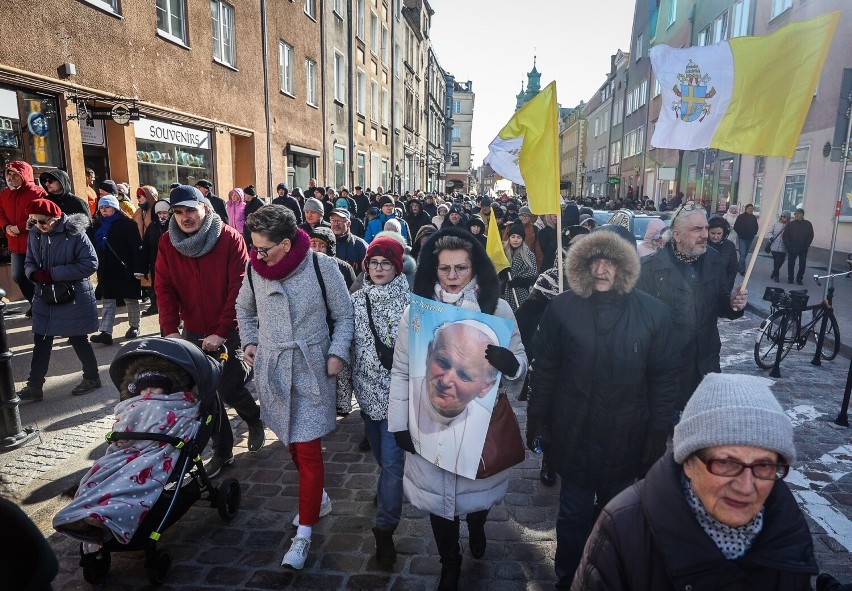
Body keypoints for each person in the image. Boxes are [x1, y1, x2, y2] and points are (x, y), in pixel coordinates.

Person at [527, 229, 678, 589]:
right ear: (581, 265)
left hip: (629, 434)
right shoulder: (562, 308)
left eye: (610, 261)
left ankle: (609, 577)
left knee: (620, 518)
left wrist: (658, 433)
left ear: (624, 266)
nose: (601, 269)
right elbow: (544, 368)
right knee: (573, 515)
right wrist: (538, 418)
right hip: (574, 431)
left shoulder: (653, 313)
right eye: (594, 260)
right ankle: (568, 578)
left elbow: (664, 379)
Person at [572, 373, 818, 590]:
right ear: (688, 463)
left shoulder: (787, 525)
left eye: (763, 465)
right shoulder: (623, 529)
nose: (746, 486)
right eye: (725, 463)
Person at [388, 227, 527, 591]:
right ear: (433, 270)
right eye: (444, 268)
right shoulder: (414, 314)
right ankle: (450, 562)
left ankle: (478, 524)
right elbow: (402, 369)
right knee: (439, 502)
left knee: (476, 494)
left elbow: (521, 362)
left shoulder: (497, 309)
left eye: (460, 268)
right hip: (428, 422)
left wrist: (510, 364)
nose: (452, 277)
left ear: (474, 268)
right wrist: (400, 422)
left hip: (478, 426)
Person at [235, 205, 354, 570]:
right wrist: (251, 342)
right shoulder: (254, 270)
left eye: (264, 248)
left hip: (311, 368)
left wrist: (336, 353)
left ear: (286, 244)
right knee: (290, 439)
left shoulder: (322, 267)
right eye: (253, 247)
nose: (257, 255)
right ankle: (317, 499)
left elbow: (345, 314)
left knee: (306, 448)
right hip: (272, 368)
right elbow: (244, 310)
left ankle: (303, 534)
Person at [155, 185, 264, 477]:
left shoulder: (229, 238)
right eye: (178, 212)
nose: (185, 217)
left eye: (191, 209)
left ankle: (253, 418)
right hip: (193, 329)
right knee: (207, 395)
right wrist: (169, 328)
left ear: (205, 207)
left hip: (230, 327)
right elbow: (163, 286)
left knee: (228, 387)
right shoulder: (168, 242)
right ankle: (223, 450)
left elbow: (239, 288)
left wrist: (222, 330)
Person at [338, 236, 409, 565]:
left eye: (386, 263)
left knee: (393, 465)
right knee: (382, 460)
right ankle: (387, 492)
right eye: (374, 263)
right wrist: (343, 397)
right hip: (368, 398)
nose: (379, 269)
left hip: (400, 398)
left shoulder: (412, 301)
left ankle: (384, 530)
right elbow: (347, 349)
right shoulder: (355, 301)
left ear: (397, 266)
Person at [636, 205, 748, 410]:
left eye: (706, 228)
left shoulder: (714, 260)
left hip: (705, 364)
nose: (705, 235)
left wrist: (734, 305)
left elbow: (721, 303)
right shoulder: (649, 269)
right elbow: (638, 326)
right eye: (697, 229)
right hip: (667, 369)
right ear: (676, 234)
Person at [18, 199, 100, 401]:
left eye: (43, 221)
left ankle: (92, 378)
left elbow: (90, 264)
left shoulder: (74, 232)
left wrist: (53, 274)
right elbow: (28, 262)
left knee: (78, 337)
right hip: (45, 294)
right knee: (41, 339)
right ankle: (34, 386)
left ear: (56, 218)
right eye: (34, 221)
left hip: (72, 294)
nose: (38, 226)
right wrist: (33, 274)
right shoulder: (35, 233)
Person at [89, 195, 145, 345]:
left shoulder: (128, 224)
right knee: (108, 300)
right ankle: (106, 332)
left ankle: (134, 326)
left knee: (131, 299)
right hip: (107, 269)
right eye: (101, 208)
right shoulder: (97, 225)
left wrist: (139, 269)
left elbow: (137, 248)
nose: (104, 210)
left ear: (115, 208)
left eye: (107, 207)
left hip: (126, 267)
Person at [1, 161, 46, 312]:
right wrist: (6, 227)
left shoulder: (38, 192)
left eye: (16, 175)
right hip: (14, 243)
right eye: (10, 175)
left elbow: (41, 215)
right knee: (18, 276)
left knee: (37, 276)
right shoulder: (5, 193)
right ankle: (36, 303)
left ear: (24, 175)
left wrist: (19, 227)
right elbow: (0, 213)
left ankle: (43, 305)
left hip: (34, 242)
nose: (12, 179)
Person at [141, 199, 171, 317]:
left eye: (165, 213)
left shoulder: (175, 225)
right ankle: (155, 306)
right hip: (156, 262)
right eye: (159, 213)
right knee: (157, 286)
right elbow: (146, 247)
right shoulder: (152, 227)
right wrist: (144, 266)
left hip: (172, 263)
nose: (162, 216)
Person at [500, 221, 538, 311]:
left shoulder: (528, 254)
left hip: (521, 293)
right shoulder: (502, 253)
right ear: (509, 238)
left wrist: (521, 281)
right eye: (513, 237)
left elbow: (533, 273)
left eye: (518, 237)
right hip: (503, 293)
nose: (515, 240)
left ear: (522, 239)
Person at [309, 226, 357, 290]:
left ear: (329, 249)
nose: (317, 249)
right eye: (313, 246)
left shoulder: (344, 268)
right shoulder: (304, 267)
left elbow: (352, 292)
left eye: (322, 246)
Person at [329, 207, 367, 276]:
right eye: (333, 220)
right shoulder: (325, 244)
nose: (336, 224)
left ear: (349, 224)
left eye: (340, 221)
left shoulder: (360, 245)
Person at [783, 207, 814, 285]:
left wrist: (806, 245)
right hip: (792, 247)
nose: (796, 215)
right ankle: (790, 278)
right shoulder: (791, 224)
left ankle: (799, 279)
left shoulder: (808, 224)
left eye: (798, 214)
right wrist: (788, 245)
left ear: (802, 215)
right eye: (796, 214)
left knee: (802, 264)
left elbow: (810, 235)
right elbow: (785, 235)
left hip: (803, 248)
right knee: (791, 263)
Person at [707, 217, 738, 294]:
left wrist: (727, 289)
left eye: (719, 233)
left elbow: (732, 270)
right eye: (713, 233)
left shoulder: (729, 246)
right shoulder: (702, 244)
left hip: (722, 289)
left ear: (724, 233)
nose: (716, 236)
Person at [733, 203, 759, 276]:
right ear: (746, 209)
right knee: (743, 254)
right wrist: (740, 234)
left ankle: (739, 266)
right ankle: (742, 270)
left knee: (745, 254)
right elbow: (736, 226)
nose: (751, 210)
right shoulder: (741, 217)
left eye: (752, 209)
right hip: (742, 238)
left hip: (750, 238)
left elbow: (756, 227)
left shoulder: (753, 218)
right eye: (749, 208)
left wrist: (754, 233)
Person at [767, 211, 789, 283]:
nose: (784, 218)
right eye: (783, 216)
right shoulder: (776, 224)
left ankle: (774, 272)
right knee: (776, 261)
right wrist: (770, 237)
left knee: (781, 262)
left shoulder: (790, 225)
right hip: (774, 247)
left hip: (784, 247)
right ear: (781, 217)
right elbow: (769, 232)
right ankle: (776, 276)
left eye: (786, 217)